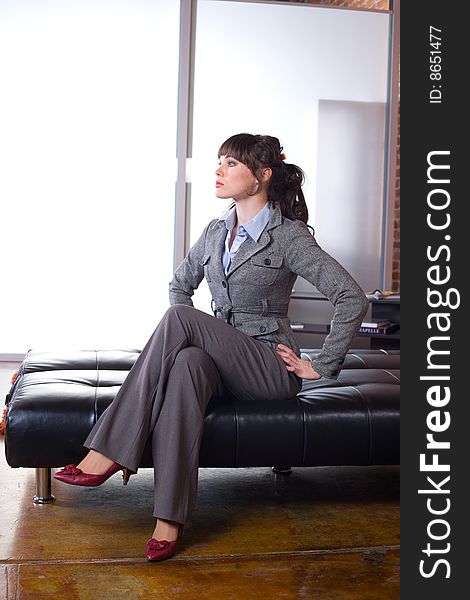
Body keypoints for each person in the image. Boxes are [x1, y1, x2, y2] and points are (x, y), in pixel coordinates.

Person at [54, 133, 369, 562]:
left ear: (262, 176)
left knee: (179, 319)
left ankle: (108, 449)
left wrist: (321, 365)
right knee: (185, 364)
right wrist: (193, 342)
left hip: (267, 367)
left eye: (231, 164)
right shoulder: (216, 231)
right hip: (222, 363)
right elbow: (180, 286)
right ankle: (169, 518)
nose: (218, 171)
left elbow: (351, 296)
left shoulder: (290, 237)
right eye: (219, 162)